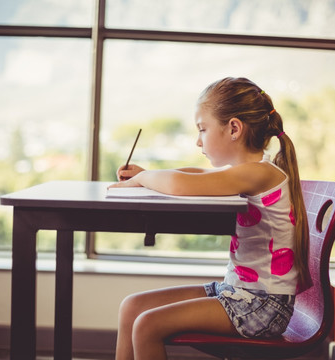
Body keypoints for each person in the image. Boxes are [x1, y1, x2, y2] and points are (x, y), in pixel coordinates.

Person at [109, 77, 311, 360]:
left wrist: (145, 178)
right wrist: (148, 174)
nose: (198, 140)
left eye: (203, 129)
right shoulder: (246, 172)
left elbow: (181, 185)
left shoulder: (259, 173)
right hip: (237, 293)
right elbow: (195, 175)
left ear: (234, 128)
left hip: (262, 305)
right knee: (132, 307)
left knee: (147, 324)